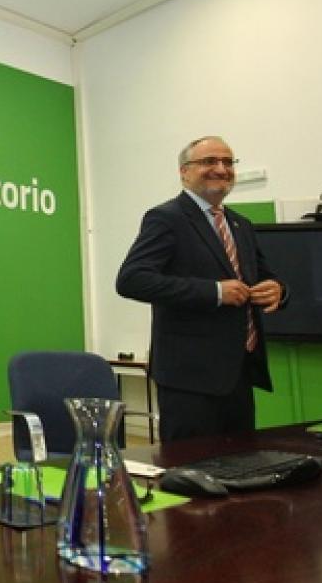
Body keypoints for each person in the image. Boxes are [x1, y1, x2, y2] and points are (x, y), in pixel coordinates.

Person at [116, 136, 286, 442]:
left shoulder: (240, 224)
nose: (221, 169)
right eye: (209, 162)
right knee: (191, 473)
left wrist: (278, 291)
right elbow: (132, 279)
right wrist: (214, 293)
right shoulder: (166, 218)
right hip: (189, 379)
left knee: (241, 465)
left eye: (227, 162)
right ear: (184, 172)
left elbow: (266, 277)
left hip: (239, 373)